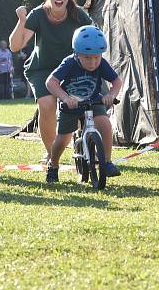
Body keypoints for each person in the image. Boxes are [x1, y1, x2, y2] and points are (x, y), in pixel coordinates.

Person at [8, 0, 93, 159]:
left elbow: (94, 40)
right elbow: (15, 46)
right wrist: (22, 21)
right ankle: (51, 154)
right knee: (47, 105)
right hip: (42, 69)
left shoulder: (79, 15)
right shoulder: (37, 14)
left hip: (72, 68)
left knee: (85, 105)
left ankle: (84, 143)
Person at [44, 25, 122, 183]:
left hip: (93, 101)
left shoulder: (101, 63)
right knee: (63, 139)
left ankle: (106, 162)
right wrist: (65, 98)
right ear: (77, 53)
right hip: (70, 105)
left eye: (96, 57)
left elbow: (116, 81)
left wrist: (111, 94)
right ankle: (53, 165)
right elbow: (51, 82)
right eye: (87, 57)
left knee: (105, 124)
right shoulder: (69, 63)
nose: (93, 63)